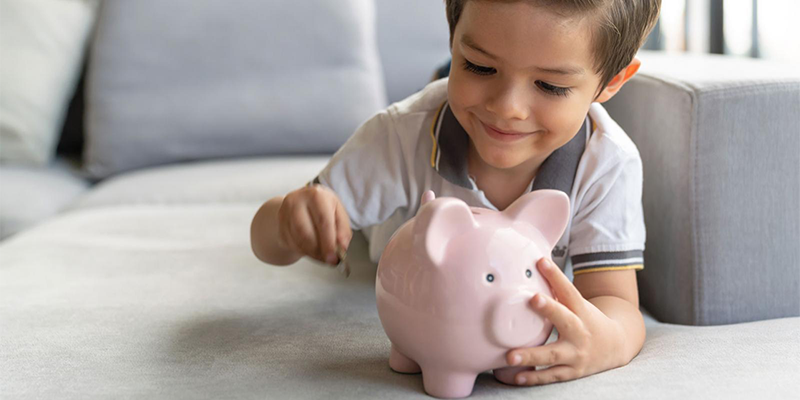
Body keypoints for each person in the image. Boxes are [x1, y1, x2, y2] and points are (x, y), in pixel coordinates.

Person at [251, 0, 661, 386]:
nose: (507, 108)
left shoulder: (605, 163)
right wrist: (289, 225)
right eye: (480, 66)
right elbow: (266, 242)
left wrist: (607, 344)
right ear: (452, 35)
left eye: (550, 86)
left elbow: (614, 302)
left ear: (612, 81)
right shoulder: (401, 134)